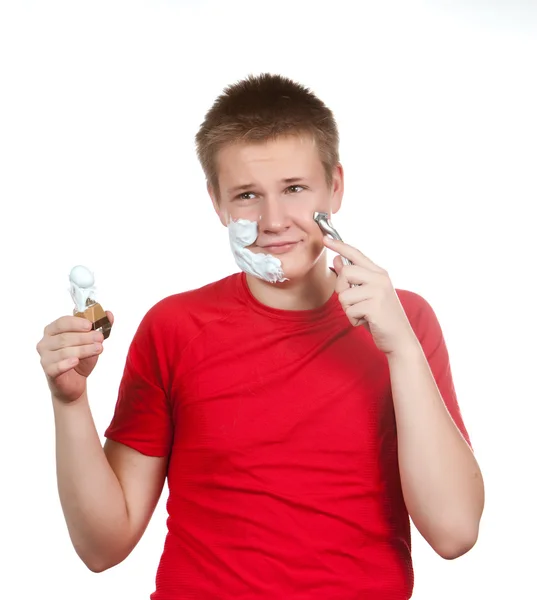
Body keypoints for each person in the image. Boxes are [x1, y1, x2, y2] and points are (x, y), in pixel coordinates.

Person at [36, 73, 484, 600]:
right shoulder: (174, 329)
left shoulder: (407, 321)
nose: (273, 220)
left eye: (295, 189)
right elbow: (101, 547)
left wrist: (402, 350)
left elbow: (455, 532)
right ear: (217, 203)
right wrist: (69, 402)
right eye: (247, 195)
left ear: (335, 187)